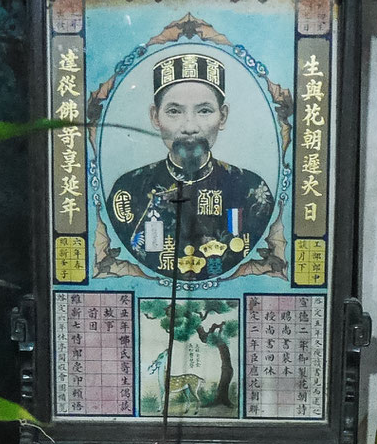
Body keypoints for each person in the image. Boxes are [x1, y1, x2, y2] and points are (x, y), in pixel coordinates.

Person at [107, 51, 275, 281]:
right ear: (155, 117)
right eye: (174, 111)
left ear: (222, 116)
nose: (189, 127)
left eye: (204, 111)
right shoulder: (129, 188)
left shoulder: (252, 190)